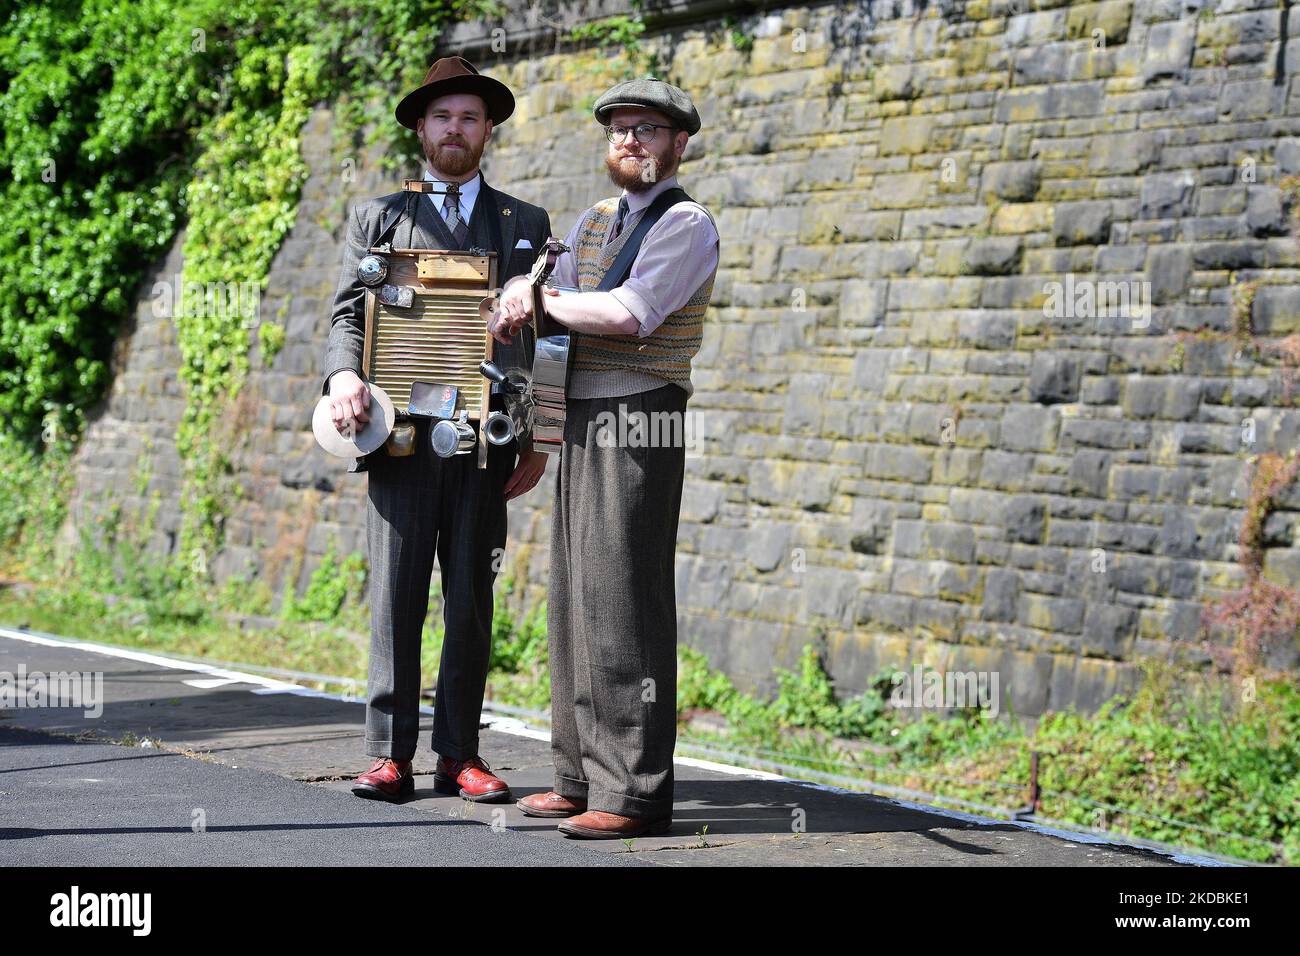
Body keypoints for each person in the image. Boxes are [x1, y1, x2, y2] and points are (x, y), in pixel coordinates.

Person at [489, 77, 719, 838]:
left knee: (624, 597)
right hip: (584, 410)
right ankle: (577, 774)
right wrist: (527, 288)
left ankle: (632, 793)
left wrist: (540, 301)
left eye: (648, 130)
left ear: (678, 144)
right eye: (620, 129)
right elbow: (548, 281)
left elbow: (630, 313)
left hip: (640, 417)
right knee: (576, 593)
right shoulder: (594, 220)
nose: (630, 141)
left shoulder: (687, 224)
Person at [321, 56, 551, 803]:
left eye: (470, 117)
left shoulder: (526, 225)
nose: (457, 129)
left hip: (486, 443)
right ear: (422, 127)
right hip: (399, 437)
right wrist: (344, 376)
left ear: (488, 130)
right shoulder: (379, 218)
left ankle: (461, 755)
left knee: (470, 603)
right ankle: (389, 754)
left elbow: (546, 341)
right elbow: (348, 313)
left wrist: (539, 432)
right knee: (396, 597)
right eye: (444, 116)